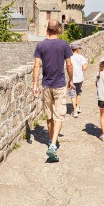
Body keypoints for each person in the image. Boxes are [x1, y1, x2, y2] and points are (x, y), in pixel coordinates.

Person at [33, 20, 74, 162]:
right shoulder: (64, 45)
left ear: (47, 30)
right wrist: (71, 79)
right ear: (58, 30)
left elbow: (36, 66)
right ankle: (53, 144)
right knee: (59, 115)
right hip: (59, 85)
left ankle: (51, 141)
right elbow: (69, 64)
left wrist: (34, 85)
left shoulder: (40, 45)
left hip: (46, 85)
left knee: (49, 115)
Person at [70, 42, 88, 118]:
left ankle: (74, 111)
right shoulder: (81, 57)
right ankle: (77, 107)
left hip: (72, 79)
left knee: (72, 94)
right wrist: (87, 63)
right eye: (79, 48)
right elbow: (84, 68)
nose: (80, 49)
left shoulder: (69, 57)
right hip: (80, 78)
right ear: (77, 49)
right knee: (78, 93)